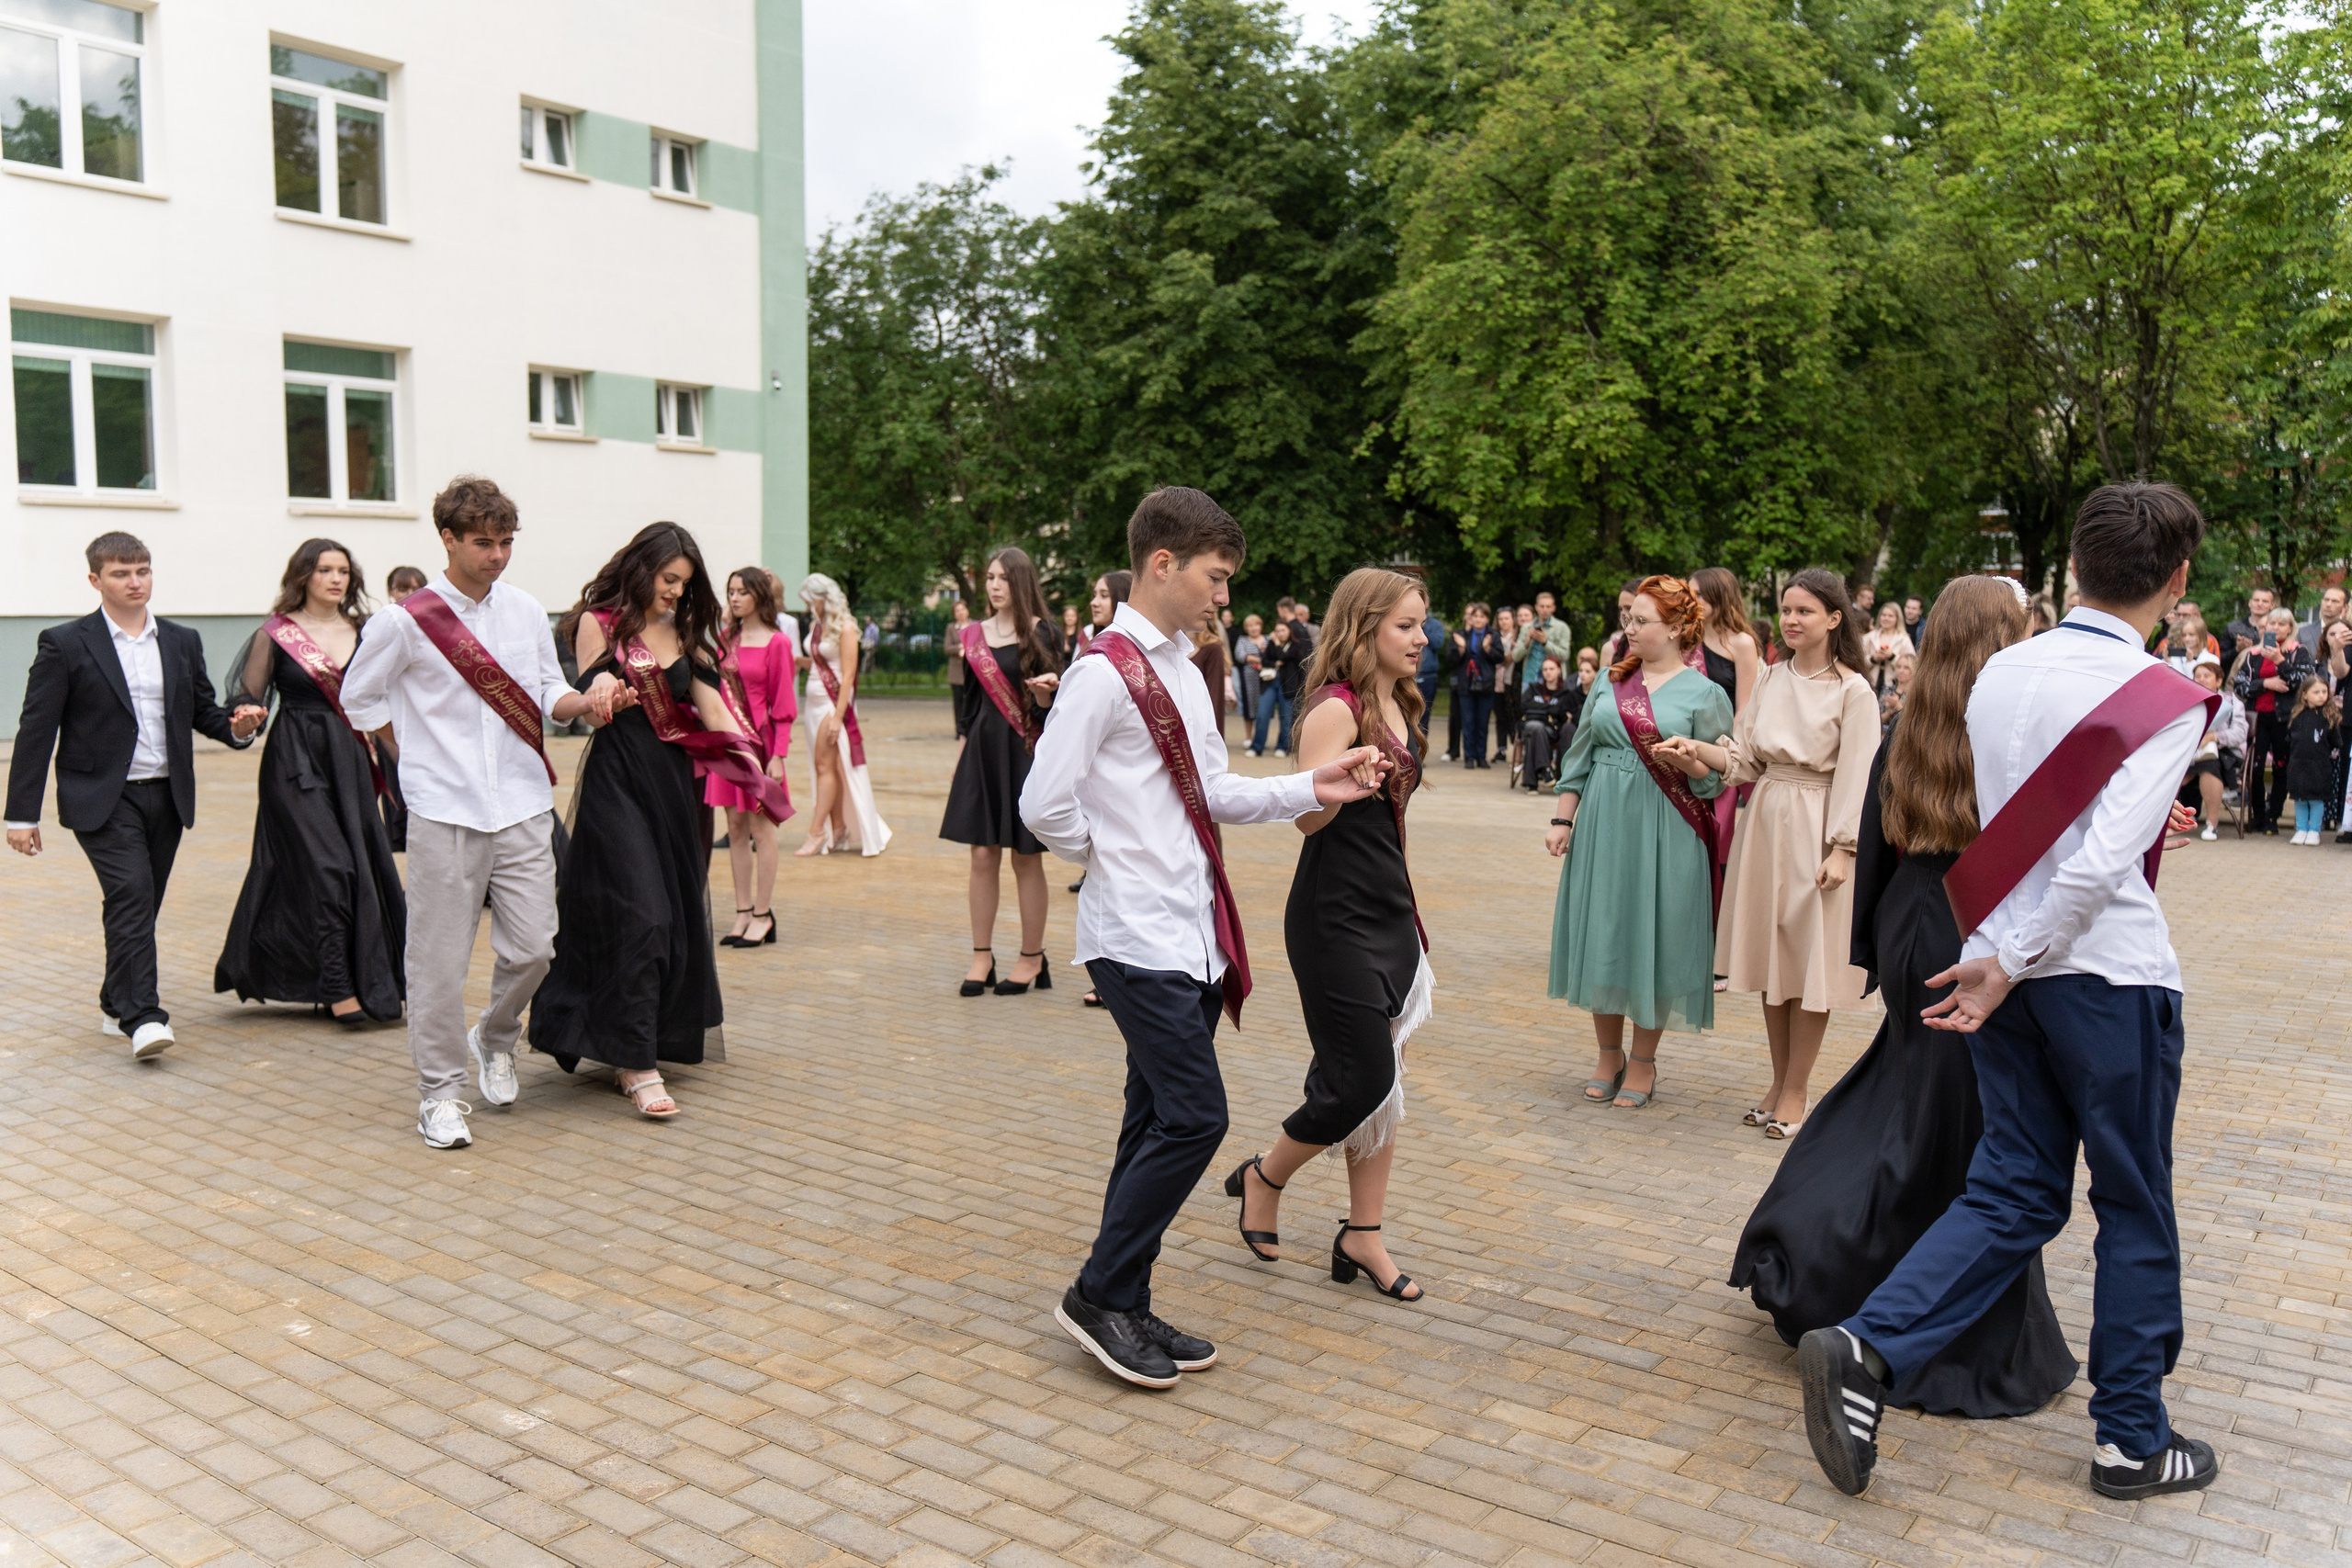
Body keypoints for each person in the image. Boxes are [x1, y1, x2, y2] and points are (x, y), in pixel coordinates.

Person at [1797, 481, 2222, 1505]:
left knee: (2014, 1188)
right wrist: (2018, 953)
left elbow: (2015, 826)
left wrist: (2001, 957)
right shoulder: (2164, 694)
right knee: (2132, 1202)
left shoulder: (2002, 673)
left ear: (2073, 567)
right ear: (2176, 580)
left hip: (1998, 965)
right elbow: (2099, 865)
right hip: (2101, 977)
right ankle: (2130, 1438)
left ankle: (1868, 1347)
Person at [1019, 487, 1390, 1390]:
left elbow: (1214, 791)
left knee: (1151, 1117)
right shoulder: (1102, 674)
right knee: (1195, 1116)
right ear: (1163, 563)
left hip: (1190, 931)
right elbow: (1041, 804)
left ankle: (1125, 1298)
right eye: (1215, 577)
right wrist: (1111, 856)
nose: (1223, 596)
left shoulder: (1186, 670)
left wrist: (1313, 787)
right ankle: (1097, 1294)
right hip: (1133, 933)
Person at [1732, 575, 2078, 1418]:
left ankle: (1831, 1255)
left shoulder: (1912, 718)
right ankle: (1897, 1309)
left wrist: (1875, 945)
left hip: (1913, 918)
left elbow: (1881, 830)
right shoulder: (2007, 725)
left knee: (1913, 1099)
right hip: (1972, 928)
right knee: (1959, 1123)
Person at [339, 477, 599, 1147]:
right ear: (448, 539)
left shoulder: (525, 610)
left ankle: (495, 1034)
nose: (498, 555)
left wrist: (584, 704)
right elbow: (358, 698)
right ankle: (440, 1094)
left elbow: (547, 689)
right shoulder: (404, 621)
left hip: (521, 802)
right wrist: (411, 754)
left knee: (536, 947)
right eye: (484, 542)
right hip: (444, 808)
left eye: (506, 542)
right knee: (437, 962)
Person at [529, 524, 787, 1117]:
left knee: (669, 915)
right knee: (642, 914)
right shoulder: (601, 622)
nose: (675, 591)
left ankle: (638, 1040)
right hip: (617, 781)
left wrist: (754, 770)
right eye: (669, 579)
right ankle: (638, 1065)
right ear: (642, 567)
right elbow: (593, 691)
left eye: (684, 583)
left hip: (674, 789)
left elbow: (715, 711)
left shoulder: (685, 633)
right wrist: (602, 689)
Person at [1227, 567, 1432, 1304]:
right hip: (1332, 916)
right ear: (1365, 626)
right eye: (1406, 625)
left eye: (1422, 623)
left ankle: (1363, 1233)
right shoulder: (1335, 707)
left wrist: (1411, 916)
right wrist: (1344, 778)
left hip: (1390, 911)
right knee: (1361, 1079)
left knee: (1385, 1085)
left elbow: (1394, 827)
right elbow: (1306, 818)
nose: (1421, 637)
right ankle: (1266, 1174)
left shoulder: (1401, 699)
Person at [6, 532, 264, 1060]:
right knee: (132, 893)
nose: (135, 582)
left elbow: (203, 712)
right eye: (121, 574)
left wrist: (239, 729)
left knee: (138, 904)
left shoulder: (181, 640)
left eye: (142, 571)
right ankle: (144, 1017)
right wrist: (20, 815)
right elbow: (36, 730)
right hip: (101, 797)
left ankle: (114, 999)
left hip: (167, 795)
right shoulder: (65, 643)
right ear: (95, 580)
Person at [1657, 570, 1880, 1138]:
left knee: (1809, 964)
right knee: (1773, 962)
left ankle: (1798, 1089)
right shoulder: (1774, 676)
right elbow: (1745, 760)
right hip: (1767, 820)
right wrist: (1695, 751)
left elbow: (1860, 776)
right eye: (1786, 609)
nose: (1791, 620)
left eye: (1804, 611)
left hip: (1819, 826)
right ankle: (1778, 1083)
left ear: (1834, 618)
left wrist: (1844, 849)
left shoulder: (1854, 690)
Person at [1544, 577, 1733, 1110]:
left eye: (1641, 620)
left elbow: (1716, 781)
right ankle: (1609, 1055)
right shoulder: (1610, 681)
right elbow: (1579, 755)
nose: (1628, 628)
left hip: (1668, 824)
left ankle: (1644, 1060)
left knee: (1658, 936)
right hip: (1604, 820)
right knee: (1604, 930)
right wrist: (1562, 819)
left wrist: (1690, 762)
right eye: (1628, 619)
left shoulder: (1707, 694)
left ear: (1675, 628)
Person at [213, 538, 407, 1025]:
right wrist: (245, 719)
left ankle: (360, 977)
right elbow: (246, 699)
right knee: (329, 868)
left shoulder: (366, 630)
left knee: (358, 866)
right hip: (294, 761)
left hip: (351, 760)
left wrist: (408, 764)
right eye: (324, 570)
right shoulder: (277, 634)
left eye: (343, 570)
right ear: (303, 576)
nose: (336, 579)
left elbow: (389, 699)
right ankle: (338, 987)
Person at [945, 547, 1065, 997]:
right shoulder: (973, 635)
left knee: (1025, 856)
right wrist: (961, 755)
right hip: (981, 752)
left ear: (1020, 581)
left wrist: (1045, 694)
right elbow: (969, 705)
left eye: (1002, 578)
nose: (994, 586)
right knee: (981, 854)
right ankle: (982, 956)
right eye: (990, 578)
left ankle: (1032, 957)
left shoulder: (1043, 631)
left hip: (1025, 752)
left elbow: (1059, 705)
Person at [712, 567, 799, 949]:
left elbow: (784, 705)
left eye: (742, 592)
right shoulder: (724, 640)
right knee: (735, 829)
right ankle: (743, 912)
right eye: (731, 591)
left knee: (762, 831)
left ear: (759, 596)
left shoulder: (778, 642)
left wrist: (779, 755)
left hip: (760, 749)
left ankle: (763, 915)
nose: (734, 598)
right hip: (729, 746)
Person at [797, 572, 891, 856]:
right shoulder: (816, 626)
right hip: (813, 704)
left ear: (823, 598)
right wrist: (797, 661)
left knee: (824, 765)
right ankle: (838, 828)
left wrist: (838, 717)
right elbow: (818, 663)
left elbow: (848, 675)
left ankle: (816, 832)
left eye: (810, 600)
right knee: (828, 767)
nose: (807, 606)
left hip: (832, 704)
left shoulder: (846, 628)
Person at [2232, 606, 2312, 835]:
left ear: (2290, 628)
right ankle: (2258, 815)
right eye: (2272, 624)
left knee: (2280, 768)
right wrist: (2265, 684)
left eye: (2281, 624)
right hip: (2258, 719)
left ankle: (2272, 817)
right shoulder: (2253, 654)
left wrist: (2280, 661)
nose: (2275, 628)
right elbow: (2239, 686)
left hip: (2284, 719)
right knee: (2255, 770)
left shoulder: (2298, 652)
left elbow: (2303, 684)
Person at [376, 567, 428, 848]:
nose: (409, 594)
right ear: (390, 592)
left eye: (416, 588)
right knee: (398, 783)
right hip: (391, 721)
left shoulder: (437, 626)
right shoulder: (382, 626)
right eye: (402, 589)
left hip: (425, 720)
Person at [2180, 654, 2244, 840]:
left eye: (2207, 676)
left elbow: (2240, 732)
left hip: (2223, 753)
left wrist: (2214, 737)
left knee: (2209, 765)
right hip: (2191, 751)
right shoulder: (2187, 701)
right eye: (2198, 676)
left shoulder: (2231, 701)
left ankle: (2212, 824)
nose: (2201, 679)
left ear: (2219, 681)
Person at [1690, 568, 1761, 717]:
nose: (1691, 600)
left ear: (1719, 596)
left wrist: (1733, 734)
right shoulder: (1688, 638)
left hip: (1725, 728)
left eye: (1699, 594)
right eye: (1689, 593)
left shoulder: (1742, 643)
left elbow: (1744, 708)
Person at [2284, 675, 2341, 843]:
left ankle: (2314, 830)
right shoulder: (2296, 715)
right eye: (2316, 692)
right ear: (2304, 694)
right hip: (2298, 764)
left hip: (2319, 766)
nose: (2321, 695)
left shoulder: (2329, 716)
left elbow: (2336, 741)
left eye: (2324, 691)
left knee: (2316, 799)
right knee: (2300, 799)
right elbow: (2290, 739)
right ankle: (2301, 829)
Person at [1450, 604, 1502, 770]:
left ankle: (1481, 756)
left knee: (1483, 722)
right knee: (1468, 722)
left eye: (1482, 616)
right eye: (1475, 616)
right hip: (1466, 684)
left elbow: (1499, 657)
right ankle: (1469, 757)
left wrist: (1487, 648)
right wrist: (1461, 648)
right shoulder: (1461, 634)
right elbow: (1451, 659)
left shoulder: (1493, 635)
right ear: (1470, 618)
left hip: (1485, 684)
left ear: (1487, 619)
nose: (1478, 620)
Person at [1520, 655, 1575, 791]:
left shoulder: (1565, 693)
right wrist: (1550, 708)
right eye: (1545, 669)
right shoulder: (1533, 688)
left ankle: (1533, 782)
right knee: (1535, 728)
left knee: (1536, 731)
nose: (1548, 672)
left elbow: (1562, 712)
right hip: (1529, 726)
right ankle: (1545, 769)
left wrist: (1538, 706)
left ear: (1559, 670)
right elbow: (1523, 706)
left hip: (1552, 730)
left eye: (1551, 669)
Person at [1251, 619, 1304, 756]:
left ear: (1289, 631)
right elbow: (1264, 661)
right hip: (1270, 683)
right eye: (1277, 631)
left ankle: (1283, 747)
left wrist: (1276, 646)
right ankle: (1257, 747)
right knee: (1262, 714)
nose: (1280, 633)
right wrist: (1276, 662)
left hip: (1288, 686)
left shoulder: (1296, 645)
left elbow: (1284, 656)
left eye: (1283, 630)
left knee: (1286, 718)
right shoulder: (1271, 644)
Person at [1415, 601, 1448, 755]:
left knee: (1424, 717)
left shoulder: (1434, 624)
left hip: (1428, 676)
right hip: (1409, 677)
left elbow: (1438, 643)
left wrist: (1422, 626)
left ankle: (1420, 753)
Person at [1862, 602, 1915, 694]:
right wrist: (1873, 659)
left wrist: (1892, 657)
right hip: (1869, 684)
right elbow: (1858, 661)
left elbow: (1912, 664)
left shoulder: (1904, 640)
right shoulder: (1869, 637)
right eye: (1884, 615)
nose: (1886, 618)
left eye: (1890, 616)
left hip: (1893, 686)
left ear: (1897, 619)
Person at [2221, 585, 2275, 673]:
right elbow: (2220, 659)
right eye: (2256, 600)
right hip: (2237, 677)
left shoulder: (2277, 630)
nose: (2260, 604)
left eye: (2265, 601)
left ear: (2272, 605)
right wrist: (2237, 650)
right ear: (2250, 603)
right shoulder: (2232, 628)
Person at [1234, 614, 1266, 726]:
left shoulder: (1268, 639)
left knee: (1265, 707)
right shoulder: (1242, 640)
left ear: (1260, 626)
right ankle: (1248, 734)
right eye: (1250, 625)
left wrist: (1251, 657)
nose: (1253, 628)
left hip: (1267, 679)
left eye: (1256, 625)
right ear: (1246, 628)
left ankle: (1260, 734)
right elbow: (1240, 655)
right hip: (1249, 679)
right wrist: (1260, 659)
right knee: (1249, 708)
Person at [944, 598, 970, 690]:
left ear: (967, 610)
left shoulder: (976, 625)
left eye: (962, 609)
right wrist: (960, 647)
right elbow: (947, 648)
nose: (961, 612)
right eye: (957, 611)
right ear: (954, 614)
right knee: (958, 697)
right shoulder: (951, 628)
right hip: (957, 671)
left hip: (973, 670)